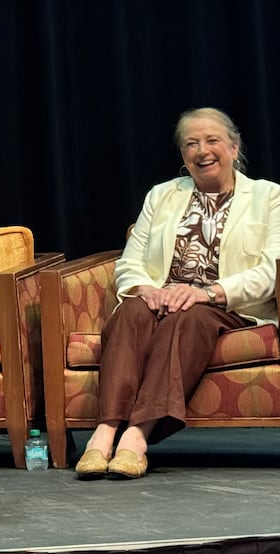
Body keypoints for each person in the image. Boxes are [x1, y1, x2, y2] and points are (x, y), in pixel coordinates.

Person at [75, 107, 280, 480]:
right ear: (184, 156)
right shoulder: (162, 195)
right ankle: (103, 433)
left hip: (228, 306)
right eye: (191, 144)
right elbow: (130, 262)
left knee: (187, 317)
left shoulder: (268, 197)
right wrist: (145, 289)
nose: (202, 150)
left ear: (234, 148)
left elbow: (271, 271)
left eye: (212, 140)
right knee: (130, 313)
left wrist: (209, 292)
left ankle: (136, 437)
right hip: (162, 299)